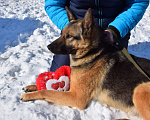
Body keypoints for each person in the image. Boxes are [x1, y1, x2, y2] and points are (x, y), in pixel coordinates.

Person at [45, 0, 149, 72]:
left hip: (114, 31)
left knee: (117, 82)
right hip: (77, 33)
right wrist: (73, 28)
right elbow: (53, 5)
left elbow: (138, 2)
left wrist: (115, 30)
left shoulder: (115, 31)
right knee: (58, 78)